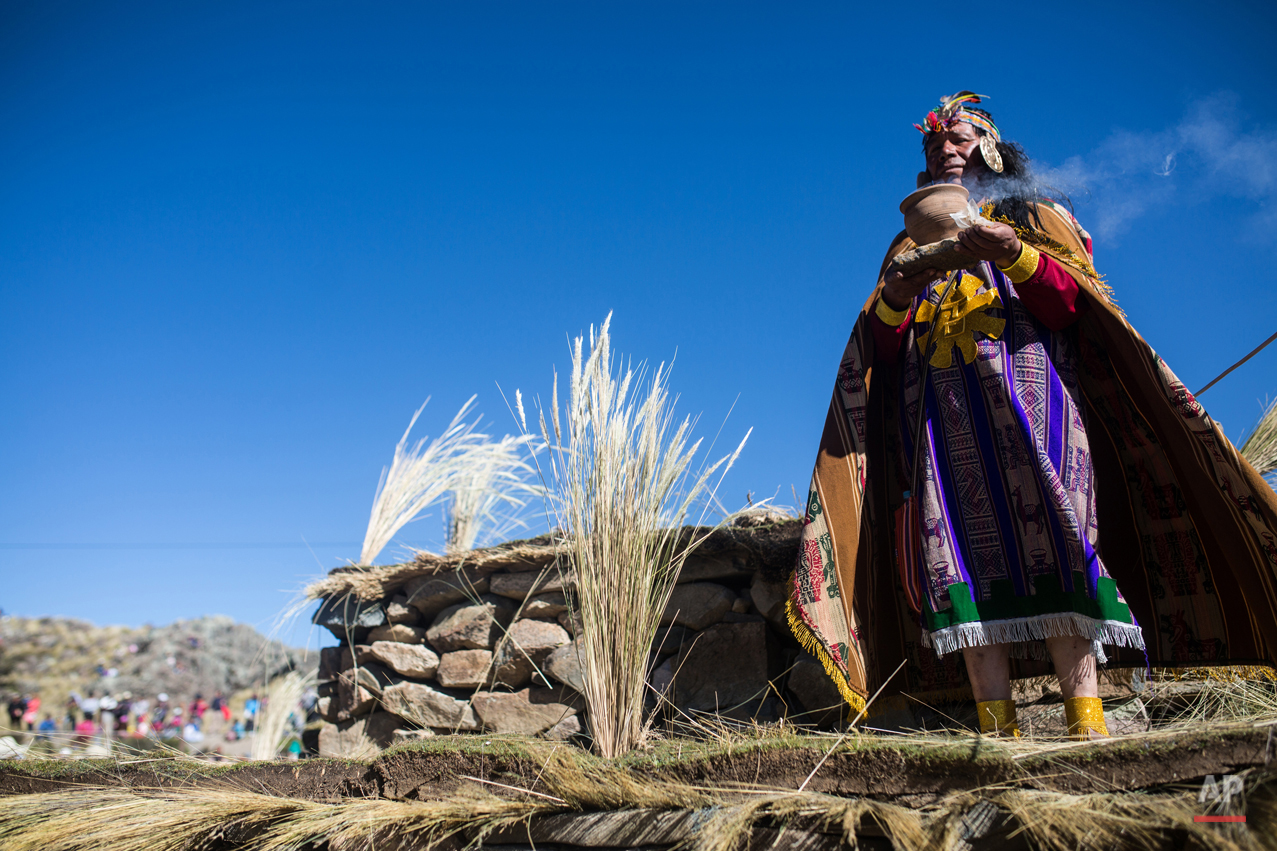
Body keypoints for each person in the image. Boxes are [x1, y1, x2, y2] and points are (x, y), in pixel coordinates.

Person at [789, 92, 1277, 740]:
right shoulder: (908, 240)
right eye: (935, 146)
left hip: (1034, 412)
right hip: (941, 427)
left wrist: (1012, 251)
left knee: (1060, 546)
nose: (944, 151)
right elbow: (880, 346)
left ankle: (1086, 722)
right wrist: (897, 295)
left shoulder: (1030, 215)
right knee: (955, 564)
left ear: (990, 149)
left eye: (957, 140)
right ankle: (998, 733)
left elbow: (1073, 304)